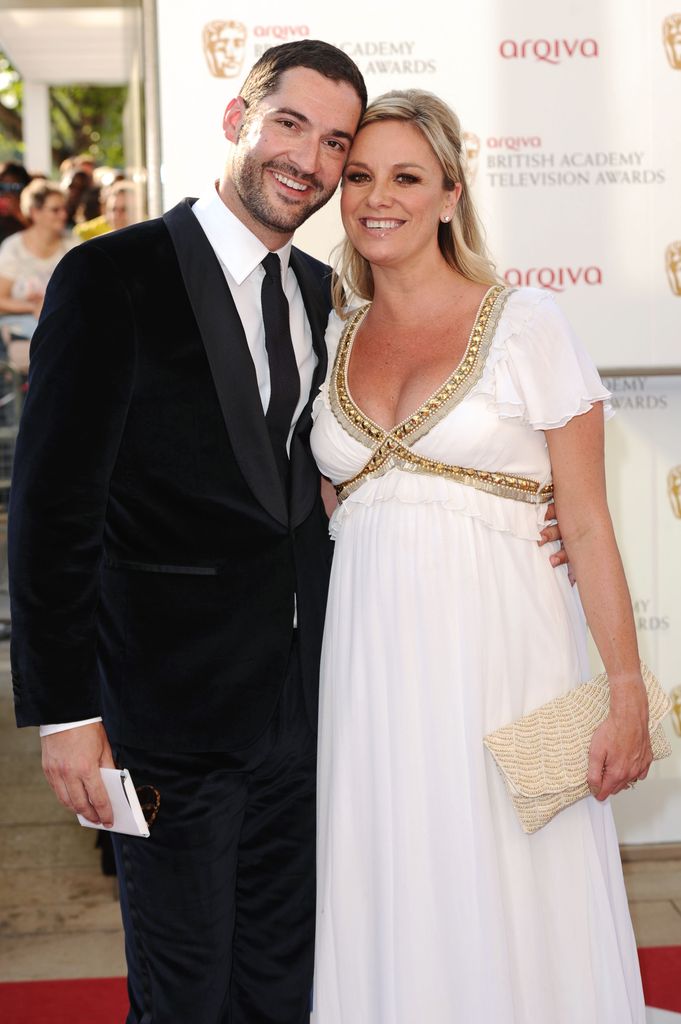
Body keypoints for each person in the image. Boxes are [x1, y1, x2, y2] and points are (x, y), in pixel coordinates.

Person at [9, 40, 366, 1024]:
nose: (310, 160)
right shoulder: (111, 277)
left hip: (297, 721)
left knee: (280, 989)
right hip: (166, 723)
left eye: (336, 142)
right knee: (182, 998)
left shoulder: (316, 294)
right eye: (291, 124)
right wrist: (66, 711)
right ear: (236, 120)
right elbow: (51, 511)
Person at [310, 89, 650, 1023]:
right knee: (388, 870)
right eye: (360, 176)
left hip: (504, 659)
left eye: (408, 177)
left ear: (451, 194)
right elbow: (327, 507)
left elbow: (584, 523)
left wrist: (625, 691)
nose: (380, 197)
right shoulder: (330, 334)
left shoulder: (527, 323)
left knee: (511, 879)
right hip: (369, 677)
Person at [0, 179, 76, 344]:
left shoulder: (73, 244)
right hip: (20, 338)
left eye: (65, 209)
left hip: (66, 332)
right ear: (35, 212)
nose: (63, 215)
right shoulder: (14, 248)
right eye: (55, 210)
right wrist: (33, 307)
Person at [73, 180, 139, 242]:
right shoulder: (97, 240)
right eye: (113, 209)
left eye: (124, 209)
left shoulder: (145, 236)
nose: (116, 215)